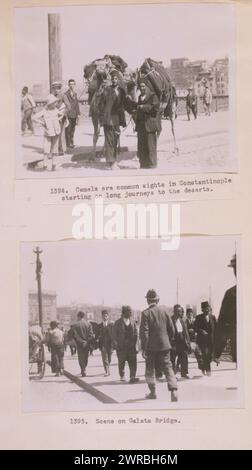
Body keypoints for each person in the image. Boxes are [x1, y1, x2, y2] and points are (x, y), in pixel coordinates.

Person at [140, 289, 178, 401]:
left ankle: (153, 393)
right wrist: (167, 341)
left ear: (147, 300)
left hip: (151, 348)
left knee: (150, 370)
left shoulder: (145, 313)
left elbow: (144, 333)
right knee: (168, 367)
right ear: (157, 300)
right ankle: (174, 390)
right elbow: (172, 330)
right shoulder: (165, 312)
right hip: (165, 346)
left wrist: (144, 348)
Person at [99, 69, 130, 169]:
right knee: (109, 140)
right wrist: (103, 118)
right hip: (108, 118)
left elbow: (125, 104)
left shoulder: (121, 91)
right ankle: (111, 163)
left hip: (117, 118)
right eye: (113, 79)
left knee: (116, 140)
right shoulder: (107, 90)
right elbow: (101, 105)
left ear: (118, 80)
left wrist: (134, 108)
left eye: (116, 79)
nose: (114, 80)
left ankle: (113, 161)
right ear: (111, 80)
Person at [32, 94, 65, 170]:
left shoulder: (56, 110)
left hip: (56, 132)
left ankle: (54, 165)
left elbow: (62, 114)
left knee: (55, 149)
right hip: (48, 132)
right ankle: (45, 165)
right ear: (50, 104)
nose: (56, 104)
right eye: (54, 102)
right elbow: (34, 118)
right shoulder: (44, 111)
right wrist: (42, 123)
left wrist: (58, 119)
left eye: (56, 102)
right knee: (46, 149)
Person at [214, 254, 237, 363]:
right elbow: (222, 324)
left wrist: (216, 353)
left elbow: (222, 325)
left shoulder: (231, 293)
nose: (235, 272)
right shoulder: (231, 293)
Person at [135, 81, 161, 169]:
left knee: (151, 145)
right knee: (142, 145)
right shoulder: (139, 97)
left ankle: (152, 164)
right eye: (140, 86)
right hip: (141, 125)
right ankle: (143, 164)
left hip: (150, 125)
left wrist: (144, 107)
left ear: (147, 87)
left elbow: (155, 108)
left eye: (143, 86)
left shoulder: (153, 96)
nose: (142, 88)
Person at [112, 305, 139, 383]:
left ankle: (132, 376)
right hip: (121, 347)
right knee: (121, 362)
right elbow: (114, 335)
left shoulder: (133, 321)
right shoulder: (117, 323)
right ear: (124, 312)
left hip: (131, 347)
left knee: (133, 362)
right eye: (128, 311)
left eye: (130, 311)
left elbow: (136, 334)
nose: (130, 313)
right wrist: (116, 346)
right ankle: (122, 375)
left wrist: (136, 346)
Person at [194, 301, 216, 376]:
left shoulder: (213, 317)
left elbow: (216, 328)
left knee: (209, 356)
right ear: (202, 309)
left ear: (209, 308)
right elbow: (195, 328)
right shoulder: (198, 317)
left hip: (211, 340)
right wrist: (201, 331)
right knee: (205, 355)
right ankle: (208, 370)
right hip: (202, 340)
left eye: (208, 308)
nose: (207, 310)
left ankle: (203, 367)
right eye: (205, 309)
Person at [171, 304, 191, 379]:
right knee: (172, 359)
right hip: (174, 342)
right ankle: (172, 374)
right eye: (177, 311)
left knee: (184, 357)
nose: (179, 313)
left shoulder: (182, 321)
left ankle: (184, 373)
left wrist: (188, 343)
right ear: (174, 311)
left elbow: (186, 333)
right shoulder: (170, 320)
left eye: (180, 311)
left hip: (182, 342)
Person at [71, 311, 94, 377]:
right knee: (86, 357)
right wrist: (86, 341)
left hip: (79, 344)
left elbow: (74, 335)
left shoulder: (75, 325)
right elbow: (91, 335)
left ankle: (83, 369)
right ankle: (84, 368)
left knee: (81, 357)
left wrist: (81, 341)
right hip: (87, 343)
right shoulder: (88, 324)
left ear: (78, 316)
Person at [51, 81, 70, 155]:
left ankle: (62, 149)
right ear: (53, 89)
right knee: (54, 133)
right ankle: (55, 149)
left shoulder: (63, 96)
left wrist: (63, 113)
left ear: (60, 88)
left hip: (61, 117)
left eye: (58, 88)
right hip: (53, 117)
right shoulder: (51, 96)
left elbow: (68, 106)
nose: (56, 90)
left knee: (61, 133)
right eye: (55, 88)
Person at [97, 310, 114, 376]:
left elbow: (114, 335)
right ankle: (107, 371)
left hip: (110, 345)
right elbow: (97, 335)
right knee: (105, 358)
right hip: (103, 344)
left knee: (109, 358)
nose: (105, 317)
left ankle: (107, 368)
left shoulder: (112, 325)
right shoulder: (99, 325)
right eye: (103, 316)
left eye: (106, 316)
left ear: (108, 316)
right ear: (102, 316)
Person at [64, 79, 80, 148]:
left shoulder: (75, 94)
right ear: (68, 85)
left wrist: (78, 114)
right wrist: (66, 114)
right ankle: (68, 144)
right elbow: (65, 105)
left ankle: (71, 143)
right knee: (68, 129)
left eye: (73, 84)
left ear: (74, 85)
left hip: (74, 114)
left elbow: (76, 104)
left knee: (73, 130)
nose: (71, 85)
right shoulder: (66, 94)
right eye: (70, 84)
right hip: (68, 114)